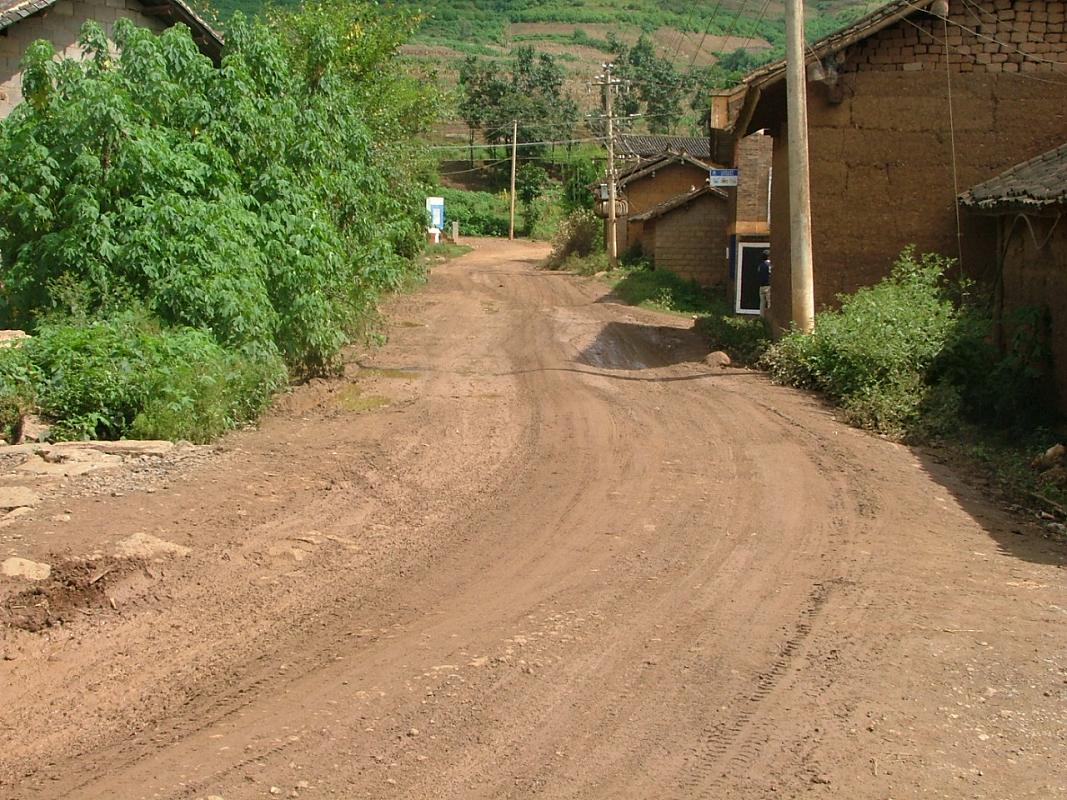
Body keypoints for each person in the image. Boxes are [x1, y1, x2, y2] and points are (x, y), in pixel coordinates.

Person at [757, 249, 772, 318]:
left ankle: (761, 318)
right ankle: (769, 319)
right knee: (769, 303)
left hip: (761, 286)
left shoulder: (760, 265)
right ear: (769, 256)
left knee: (762, 303)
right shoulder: (769, 265)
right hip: (768, 286)